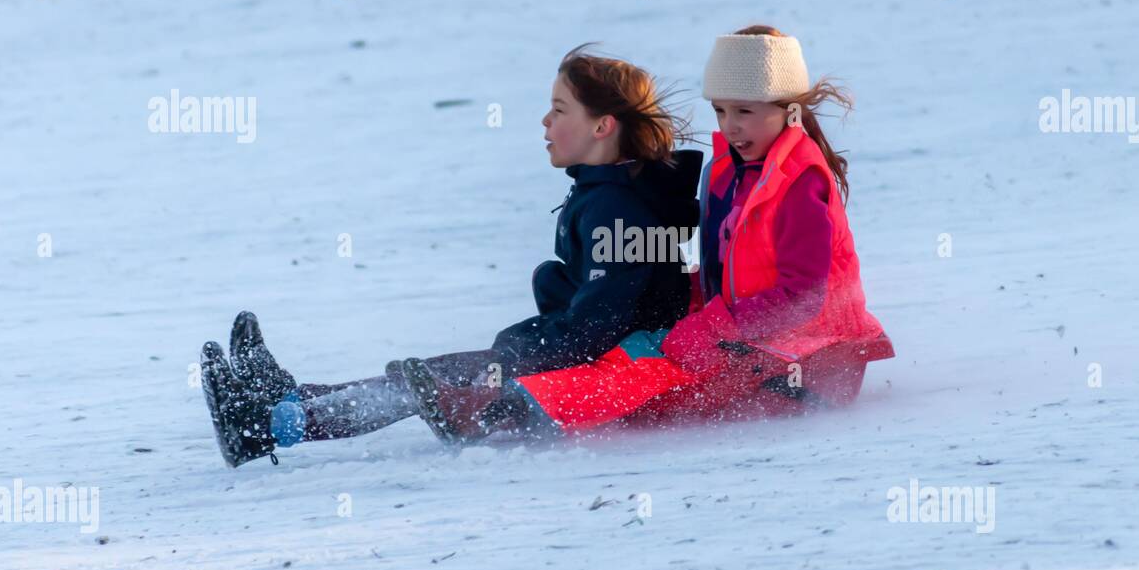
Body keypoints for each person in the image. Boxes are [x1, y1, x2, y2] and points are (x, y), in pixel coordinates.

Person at [201, 46, 701, 466]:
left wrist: (523, 354)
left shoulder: (617, 209)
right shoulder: (606, 194)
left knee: (435, 380)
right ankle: (286, 398)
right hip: (591, 347)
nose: (545, 121)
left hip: (610, 363)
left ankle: (268, 426)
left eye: (560, 109)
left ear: (602, 127)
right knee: (434, 372)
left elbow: (602, 323)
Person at [403, 25, 894, 442]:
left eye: (744, 111)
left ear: (788, 110)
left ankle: (489, 414)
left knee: (648, 375)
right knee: (638, 350)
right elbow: (726, 268)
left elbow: (804, 297)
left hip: (808, 366)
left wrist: (713, 327)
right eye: (721, 111)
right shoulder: (735, 172)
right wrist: (694, 310)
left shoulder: (800, 183)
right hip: (748, 340)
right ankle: (486, 399)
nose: (730, 125)